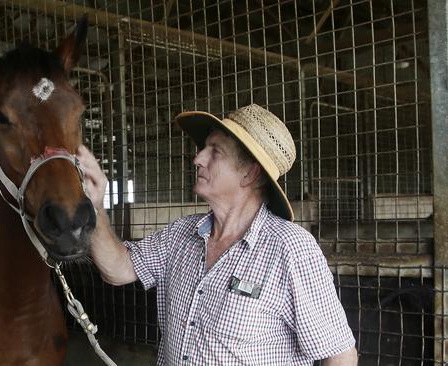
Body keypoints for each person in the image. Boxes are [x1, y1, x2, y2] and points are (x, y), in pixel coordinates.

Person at [76, 104, 358, 365]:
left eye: (215, 151)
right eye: (203, 148)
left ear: (249, 173)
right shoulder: (181, 234)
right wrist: (96, 205)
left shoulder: (290, 248)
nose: (197, 158)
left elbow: (340, 354)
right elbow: (117, 268)